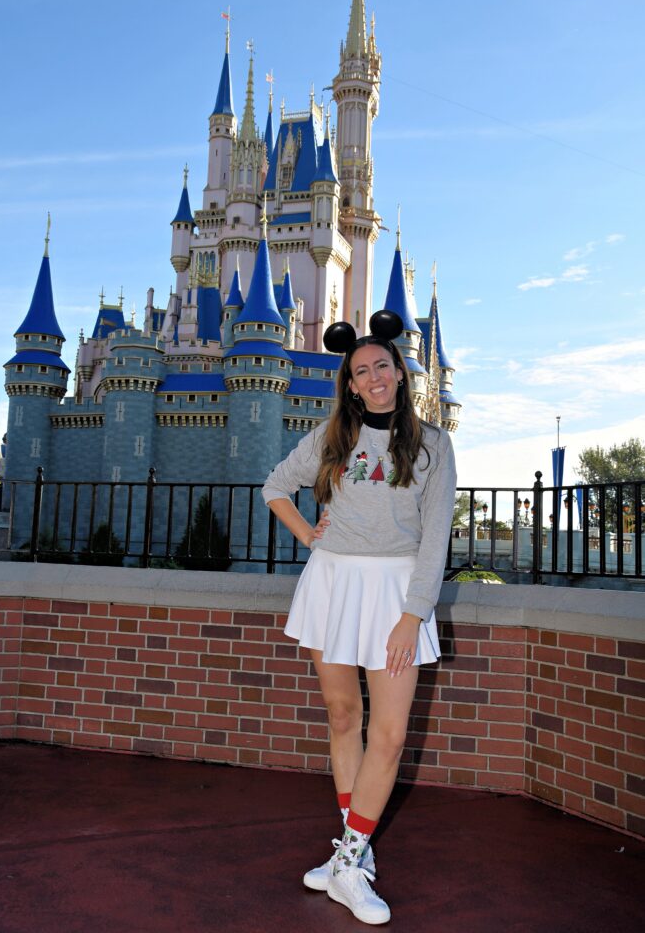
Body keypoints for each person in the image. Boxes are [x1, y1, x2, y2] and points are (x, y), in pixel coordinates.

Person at [262, 311, 457, 926]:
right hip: (334, 583)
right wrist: (309, 538)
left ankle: (348, 860)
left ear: (400, 373)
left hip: (396, 590)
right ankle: (353, 853)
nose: (373, 377)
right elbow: (273, 485)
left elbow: (435, 539)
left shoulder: (432, 445)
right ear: (348, 383)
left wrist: (411, 615)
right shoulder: (331, 439)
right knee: (344, 717)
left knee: (391, 733)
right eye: (360, 371)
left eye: (382, 366)